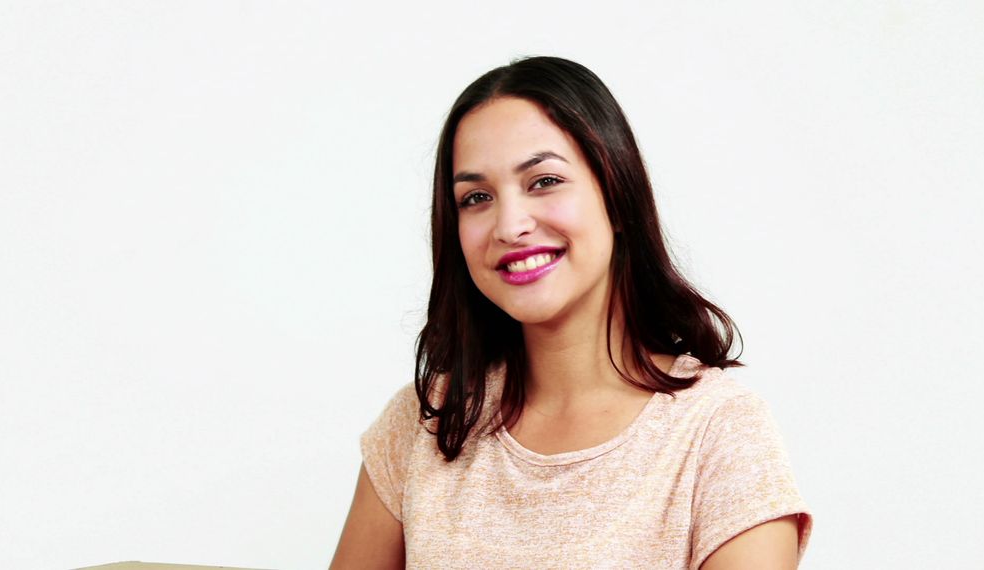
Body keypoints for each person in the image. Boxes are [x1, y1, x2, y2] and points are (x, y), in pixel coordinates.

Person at [331, 55, 814, 569]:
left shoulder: (719, 432)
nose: (509, 225)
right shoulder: (425, 420)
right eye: (476, 197)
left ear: (618, 195)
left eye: (544, 181)